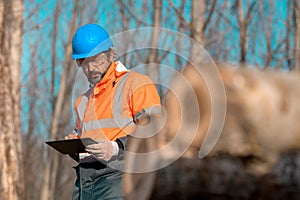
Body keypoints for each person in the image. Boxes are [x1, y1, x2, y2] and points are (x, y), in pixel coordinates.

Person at [65, 24, 161, 199]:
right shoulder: (82, 102)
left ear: (110, 54)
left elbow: (153, 134)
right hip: (84, 184)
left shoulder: (137, 84)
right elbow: (85, 140)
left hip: (119, 179)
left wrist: (116, 148)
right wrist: (74, 145)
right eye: (84, 62)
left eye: (96, 60)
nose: (91, 68)